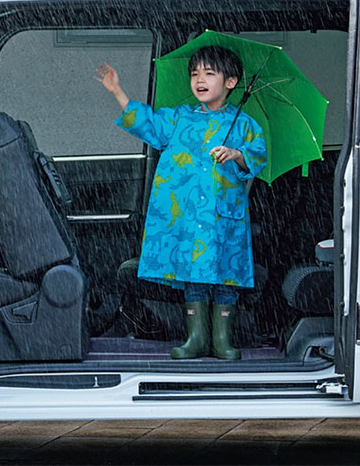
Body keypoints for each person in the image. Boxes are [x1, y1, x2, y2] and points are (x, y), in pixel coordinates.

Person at [95, 45, 267, 360]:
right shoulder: (180, 119)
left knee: (225, 273)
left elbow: (258, 157)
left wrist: (235, 153)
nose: (199, 79)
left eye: (209, 73)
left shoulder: (244, 124)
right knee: (193, 274)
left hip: (222, 218)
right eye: (195, 74)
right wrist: (117, 91)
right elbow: (148, 123)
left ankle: (222, 340)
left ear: (230, 82)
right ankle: (197, 338)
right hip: (187, 217)